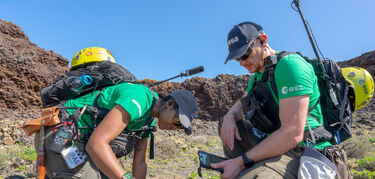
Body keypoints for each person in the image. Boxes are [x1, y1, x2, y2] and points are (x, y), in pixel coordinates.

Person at [212, 22, 351, 178]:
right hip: (276, 142)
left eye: (245, 54)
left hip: (303, 150)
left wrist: (239, 162)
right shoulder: (258, 77)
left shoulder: (289, 65)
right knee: (226, 122)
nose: (242, 62)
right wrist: (230, 117)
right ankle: (242, 170)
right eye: (237, 59)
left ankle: (244, 169)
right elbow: (240, 106)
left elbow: (292, 134)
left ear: (263, 41)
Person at [34, 47, 199, 179]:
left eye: (180, 127)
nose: (175, 127)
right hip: (61, 134)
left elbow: (140, 163)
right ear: (170, 103)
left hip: (82, 144)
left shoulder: (148, 121)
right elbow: (96, 144)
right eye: (177, 120)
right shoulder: (140, 98)